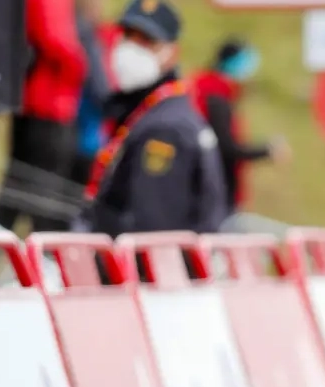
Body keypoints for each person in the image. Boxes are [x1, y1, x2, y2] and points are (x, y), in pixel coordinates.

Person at [83, 0, 229, 238]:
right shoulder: (155, 110)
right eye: (128, 36)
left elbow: (150, 231)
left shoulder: (165, 129)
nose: (132, 49)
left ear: (171, 53)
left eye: (146, 41)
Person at [0, 0, 88, 232]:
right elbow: (54, 38)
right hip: (47, 105)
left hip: (38, 102)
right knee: (41, 198)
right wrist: (83, 66)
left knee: (21, 191)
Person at [189, 38, 291, 212]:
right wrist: (266, 151)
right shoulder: (216, 97)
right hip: (217, 188)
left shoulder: (208, 90)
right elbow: (227, 147)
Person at [69, 0, 114, 186]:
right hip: (84, 140)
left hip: (77, 135)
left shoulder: (76, 32)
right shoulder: (87, 37)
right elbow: (101, 90)